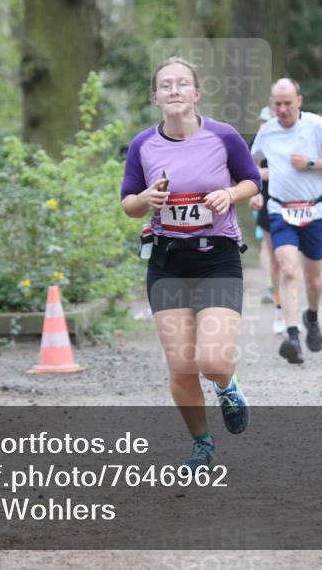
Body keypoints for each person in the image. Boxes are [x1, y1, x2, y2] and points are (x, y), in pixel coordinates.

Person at [120, 57, 261, 469]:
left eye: (183, 84)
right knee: (181, 367)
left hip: (216, 256)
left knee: (212, 360)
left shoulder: (224, 136)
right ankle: (202, 445)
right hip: (167, 261)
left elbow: (252, 179)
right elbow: (129, 204)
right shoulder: (142, 145)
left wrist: (229, 196)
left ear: (197, 94)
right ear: (155, 98)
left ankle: (228, 387)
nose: (175, 90)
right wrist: (147, 199)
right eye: (166, 85)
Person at [251, 78, 322, 364]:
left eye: (287, 103)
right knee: (288, 269)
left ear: (299, 102)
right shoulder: (266, 133)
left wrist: (311, 163)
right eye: (276, 104)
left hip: (315, 211)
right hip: (280, 211)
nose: (281, 109)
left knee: (313, 278)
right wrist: (255, 190)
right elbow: (250, 164)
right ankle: (293, 337)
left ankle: (312, 317)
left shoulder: (316, 126)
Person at [250, 106, 286, 334]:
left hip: (291, 201)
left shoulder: (288, 138)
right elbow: (250, 172)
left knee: (286, 254)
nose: (266, 123)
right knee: (268, 245)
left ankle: (281, 294)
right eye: (263, 120)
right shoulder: (258, 142)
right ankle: (271, 287)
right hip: (263, 199)